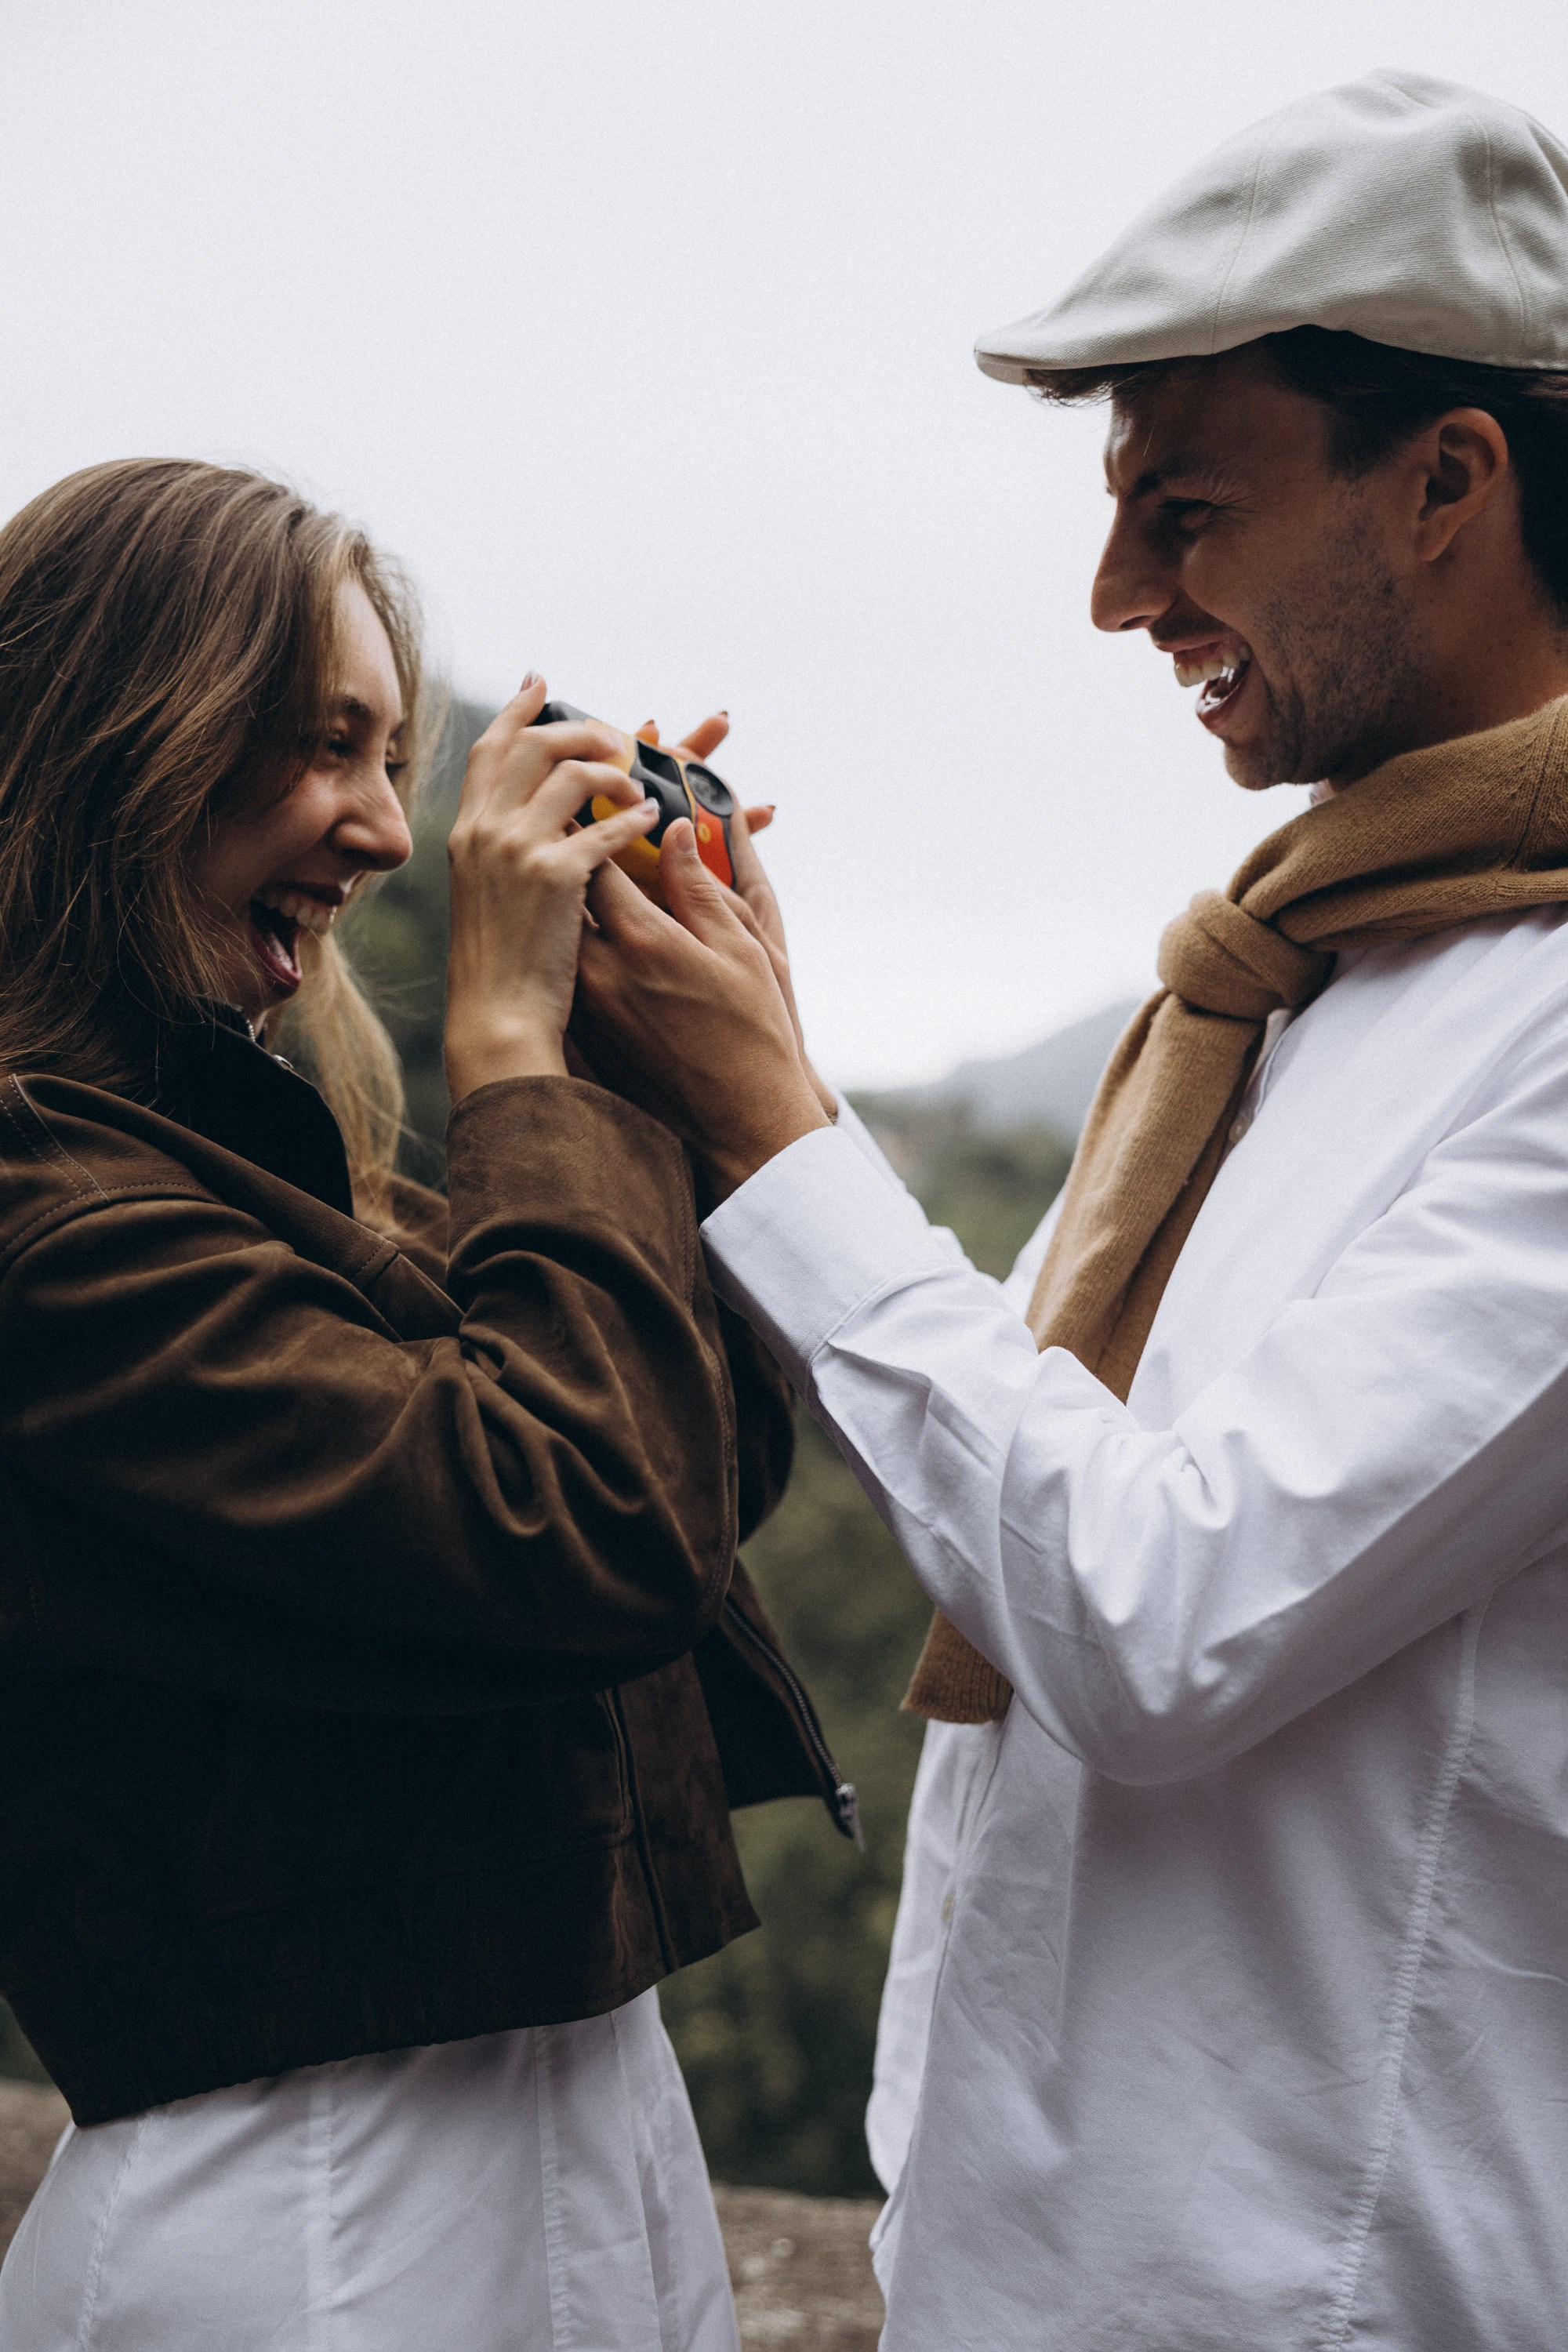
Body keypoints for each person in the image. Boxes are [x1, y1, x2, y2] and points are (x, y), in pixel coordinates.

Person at [568, 71, 1568, 2350]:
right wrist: (760, 1079)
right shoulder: (1288, 982)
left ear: (1447, 481)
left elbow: (1156, 1608)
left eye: (1183, 510)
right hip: (1006, 2269)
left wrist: (785, 1134)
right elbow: (1015, 1471)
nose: (1120, 596)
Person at [0, 457, 854, 2352]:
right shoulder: (42, 1221)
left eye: (395, 760)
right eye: (326, 748)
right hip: (310, 2212)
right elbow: (575, 1535)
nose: (387, 833)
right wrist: (508, 1048)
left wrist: (701, 1087)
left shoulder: (236, 1170)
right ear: (117, 738)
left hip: (578, 2142)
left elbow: (694, 1471)